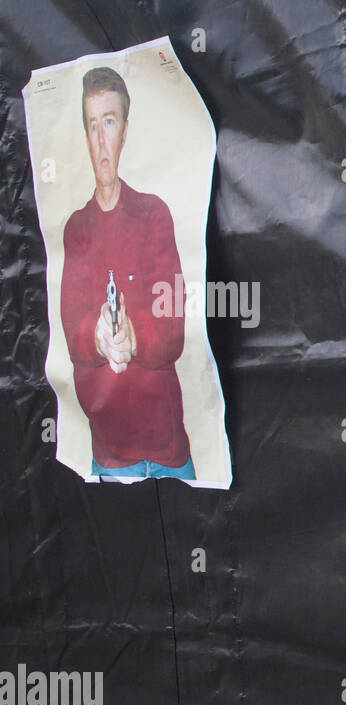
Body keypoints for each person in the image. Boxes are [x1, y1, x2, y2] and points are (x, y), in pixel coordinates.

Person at [60, 66, 193, 480]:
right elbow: (71, 329)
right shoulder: (76, 230)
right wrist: (98, 336)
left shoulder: (154, 215)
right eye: (93, 125)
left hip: (168, 452)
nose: (101, 139)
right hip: (110, 458)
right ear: (85, 135)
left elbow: (173, 327)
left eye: (110, 122)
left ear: (125, 131)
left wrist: (134, 336)